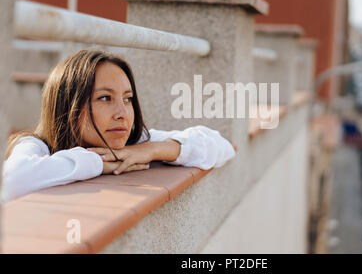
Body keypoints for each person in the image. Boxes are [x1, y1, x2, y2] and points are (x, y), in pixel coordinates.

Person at [2, 49, 236, 203]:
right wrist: (98, 162)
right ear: (68, 105)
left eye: (128, 99)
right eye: (105, 98)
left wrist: (153, 150)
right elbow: (13, 180)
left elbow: (222, 146)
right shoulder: (36, 145)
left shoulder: (134, 145)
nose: (122, 114)